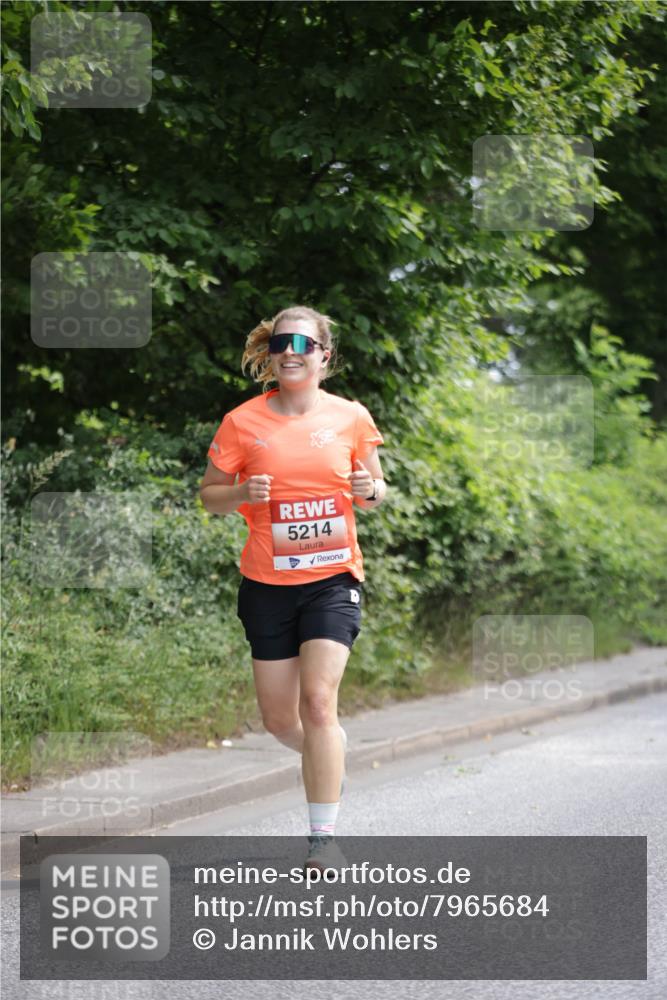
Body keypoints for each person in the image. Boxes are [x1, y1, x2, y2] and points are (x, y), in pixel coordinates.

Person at [199, 305, 386, 874]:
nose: (289, 352)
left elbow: (376, 491)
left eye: (302, 344)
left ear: (324, 356)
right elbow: (209, 495)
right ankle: (328, 760)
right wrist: (241, 495)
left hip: (333, 579)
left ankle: (322, 841)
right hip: (267, 585)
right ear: (271, 353)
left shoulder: (351, 417)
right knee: (281, 721)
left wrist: (370, 489)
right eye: (281, 343)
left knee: (319, 703)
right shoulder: (242, 422)